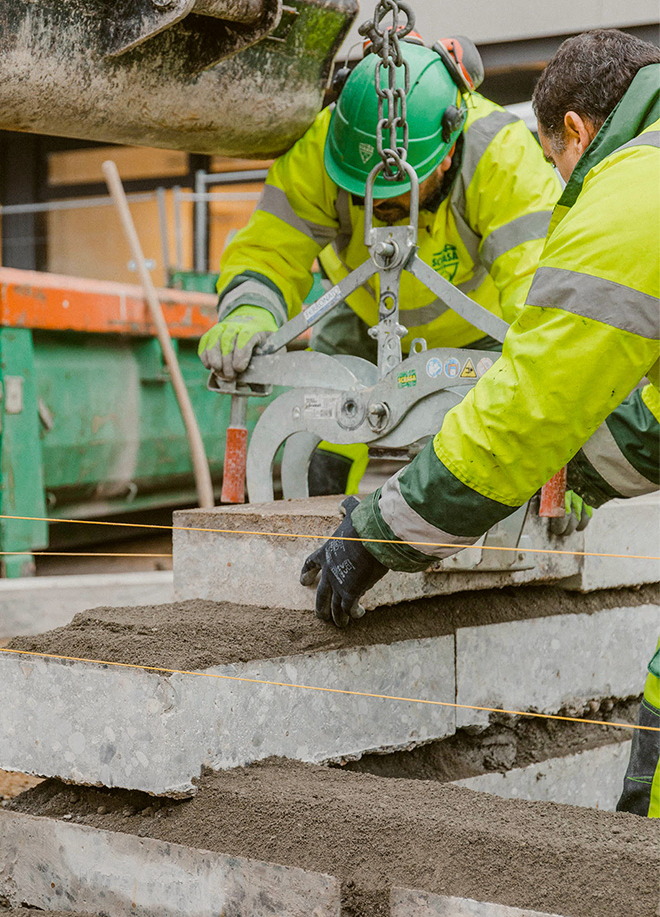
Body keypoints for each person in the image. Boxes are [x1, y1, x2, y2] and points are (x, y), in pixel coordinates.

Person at [300, 29, 660, 817]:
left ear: (574, 130)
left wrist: (379, 534)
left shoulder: (631, 195)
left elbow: (530, 408)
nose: (560, 186)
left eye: (556, 165)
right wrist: (580, 476)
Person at [199, 34, 561, 495]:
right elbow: (270, 249)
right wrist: (249, 310)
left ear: (448, 151)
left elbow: (543, 293)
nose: (380, 205)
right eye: (364, 191)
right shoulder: (325, 146)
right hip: (361, 318)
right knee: (319, 451)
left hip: (483, 335)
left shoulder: (501, 156)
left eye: (398, 193)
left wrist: (561, 451)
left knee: (478, 465)